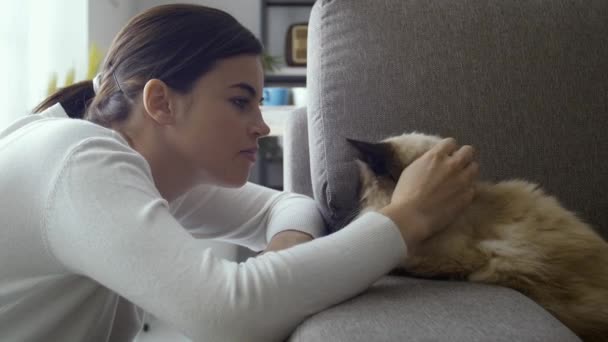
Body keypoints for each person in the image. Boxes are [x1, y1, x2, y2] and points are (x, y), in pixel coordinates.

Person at [0, 4, 479, 342]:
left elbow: (288, 205)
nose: (261, 125)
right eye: (239, 101)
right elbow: (229, 318)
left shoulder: (143, 164)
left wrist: (282, 255)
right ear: (161, 102)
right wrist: (408, 217)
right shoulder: (79, 161)